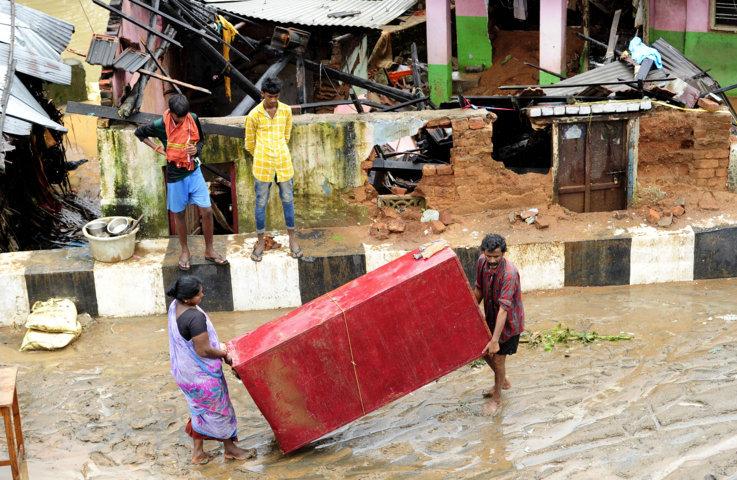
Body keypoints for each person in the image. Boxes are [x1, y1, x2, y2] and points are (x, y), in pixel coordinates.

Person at [135, 94, 228, 271]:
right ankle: (185, 250)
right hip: (175, 175)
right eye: (180, 117)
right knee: (179, 214)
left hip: (194, 170)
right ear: (171, 113)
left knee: (207, 211)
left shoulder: (192, 118)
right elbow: (139, 133)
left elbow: (201, 140)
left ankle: (209, 250)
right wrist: (157, 148)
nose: (183, 120)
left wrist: (196, 150)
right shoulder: (160, 125)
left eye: (185, 116)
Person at [166, 275, 251, 464]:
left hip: (185, 373)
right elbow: (203, 350)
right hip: (200, 376)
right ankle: (230, 449)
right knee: (220, 410)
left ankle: (198, 453)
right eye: (199, 294)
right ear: (187, 299)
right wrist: (224, 354)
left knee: (200, 409)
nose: (203, 294)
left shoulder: (176, 306)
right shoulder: (194, 317)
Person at [244, 76, 302, 262]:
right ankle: (260, 241)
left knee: (288, 200)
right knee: (261, 203)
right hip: (262, 166)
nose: (273, 100)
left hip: (284, 164)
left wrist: (277, 152)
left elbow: (286, 136)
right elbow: (249, 144)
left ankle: (292, 238)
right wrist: (263, 154)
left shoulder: (285, 111)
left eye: (276, 96)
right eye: (270, 96)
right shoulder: (254, 115)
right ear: (262, 94)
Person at [473, 233, 525, 416]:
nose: (492, 260)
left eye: (497, 256)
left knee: (498, 358)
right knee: (481, 350)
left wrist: (495, 339)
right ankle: (503, 381)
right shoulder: (481, 262)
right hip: (491, 316)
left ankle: (497, 398)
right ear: (483, 253)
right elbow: (479, 288)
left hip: (509, 323)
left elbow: (504, 310)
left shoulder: (509, 274)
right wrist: (470, 313)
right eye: (489, 256)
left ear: (504, 253)